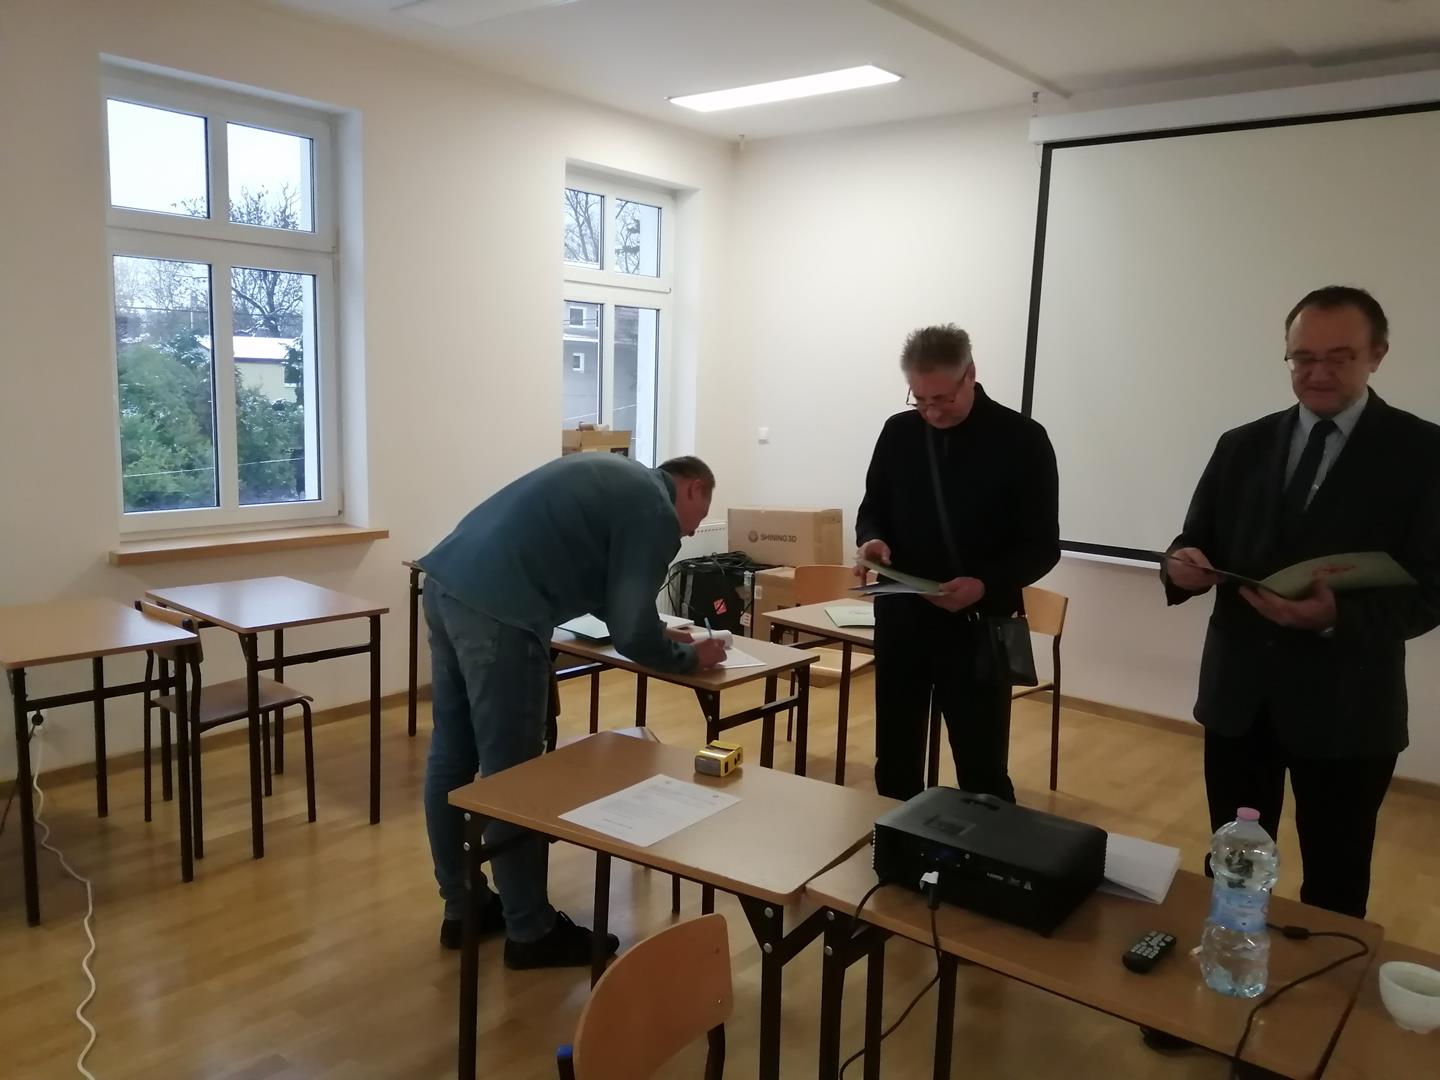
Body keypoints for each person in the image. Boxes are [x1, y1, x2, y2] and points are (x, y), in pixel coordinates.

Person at [1163, 285, 1440, 918]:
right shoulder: (1242, 444)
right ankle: (1227, 964)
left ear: (1378, 354)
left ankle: (1321, 983)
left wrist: (1336, 617)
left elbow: (1433, 588)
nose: (1317, 373)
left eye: (1339, 358)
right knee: (1232, 867)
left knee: (1336, 880)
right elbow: (1193, 539)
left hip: (1348, 709)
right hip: (1239, 700)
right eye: (1302, 358)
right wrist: (1180, 566)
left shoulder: (1423, 454)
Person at [418, 453, 726, 966]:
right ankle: (530, 931)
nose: (692, 532)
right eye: (700, 515)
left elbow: (613, 595)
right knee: (513, 778)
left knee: (451, 756)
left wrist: (654, 629)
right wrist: (690, 658)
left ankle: (464, 905)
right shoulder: (655, 507)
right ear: (692, 487)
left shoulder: (620, 482)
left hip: (446, 584)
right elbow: (630, 634)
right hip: (502, 612)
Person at [855, 324, 1060, 803]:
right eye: (920, 400)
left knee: (982, 768)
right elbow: (873, 507)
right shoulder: (899, 432)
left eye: (943, 398)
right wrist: (872, 540)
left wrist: (984, 584)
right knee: (895, 760)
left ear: (971, 374)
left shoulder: (1022, 439)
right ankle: (898, 845)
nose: (931, 412)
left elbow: (1041, 546)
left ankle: (985, 847)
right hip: (902, 619)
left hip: (979, 625)